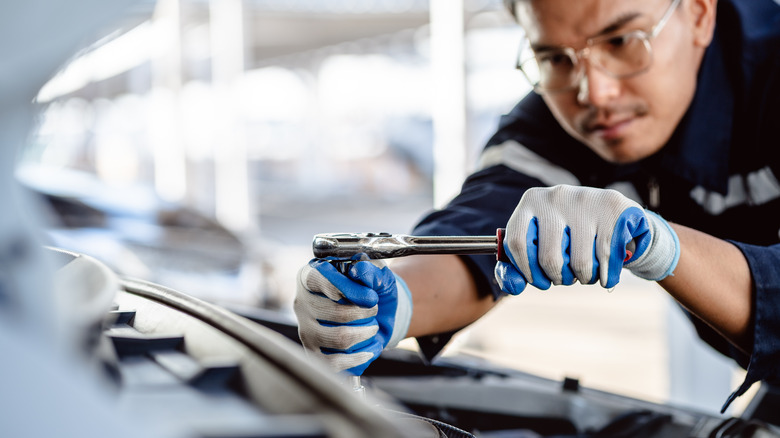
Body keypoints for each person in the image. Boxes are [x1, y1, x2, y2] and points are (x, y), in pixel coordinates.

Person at [294, 0, 780, 412]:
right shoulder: (556, 118)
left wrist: (667, 248)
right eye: (555, 58)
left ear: (699, 13)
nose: (595, 94)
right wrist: (392, 300)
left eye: (621, 41)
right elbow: (481, 229)